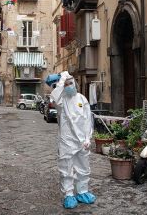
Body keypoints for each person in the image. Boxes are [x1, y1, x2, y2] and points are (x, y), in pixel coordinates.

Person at [50, 71, 96, 209]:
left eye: (71, 83)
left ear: (75, 84)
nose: (69, 86)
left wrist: (88, 137)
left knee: (84, 168)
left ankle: (82, 192)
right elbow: (55, 96)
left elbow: (88, 119)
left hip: (82, 141)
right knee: (66, 168)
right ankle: (68, 194)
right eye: (66, 84)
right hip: (67, 140)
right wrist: (62, 79)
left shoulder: (82, 99)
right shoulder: (61, 100)